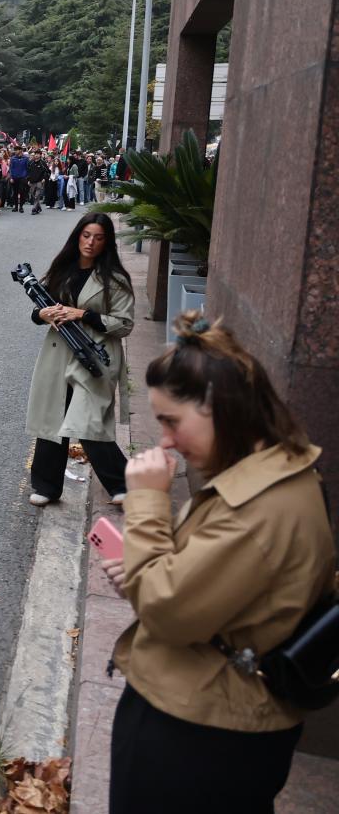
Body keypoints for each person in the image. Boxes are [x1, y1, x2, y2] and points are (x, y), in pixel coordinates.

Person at [101, 312, 334, 814]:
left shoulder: (260, 507)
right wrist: (146, 573)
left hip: (198, 731)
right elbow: (206, 582)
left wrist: (146, 503)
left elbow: (168, 609)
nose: (164, 440)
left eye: (170, 421)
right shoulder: (274, 474)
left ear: (218, 408)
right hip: (219, 716)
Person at [25, 212, 134, 505]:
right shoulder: (63, 269)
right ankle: (46, 486)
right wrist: (42, 314)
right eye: (86, 236)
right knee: (53, 416)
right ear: (77, 237)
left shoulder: (115, 279)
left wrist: (83, 314)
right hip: (59, 352)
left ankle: (123, 484)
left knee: (87, 421)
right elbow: (39, 310)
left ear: (106, 242)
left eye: (98, 238)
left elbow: (125, 324)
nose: (90, 243)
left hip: (95, 355)